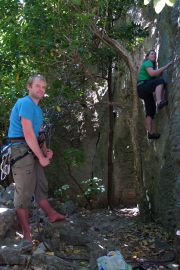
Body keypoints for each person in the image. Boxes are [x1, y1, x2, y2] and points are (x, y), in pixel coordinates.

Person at [8, 74, 65, 243]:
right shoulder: (25, 103)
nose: (41, 89)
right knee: (24, 191)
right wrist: (41, 157)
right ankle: (26, 233)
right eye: (38, 86)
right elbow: (27, 133)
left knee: (41, 184)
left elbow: (39, 134)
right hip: (20, 150)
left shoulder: (38, 110)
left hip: (32, 149)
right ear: (29, 87)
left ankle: (52, 214)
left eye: (44, 87)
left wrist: (46, 151)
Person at [137, 49, 173, 139]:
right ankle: (159, 102)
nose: (154, 55)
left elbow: (155, 75)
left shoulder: (151, 65)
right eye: (152, 54)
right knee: (160, 81)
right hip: (143, 86)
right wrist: (166, 66)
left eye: (155, 54)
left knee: (150, 111)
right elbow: (153, 74)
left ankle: (150, 133)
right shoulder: (147, 62)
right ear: (147, 56)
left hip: (142, 90)